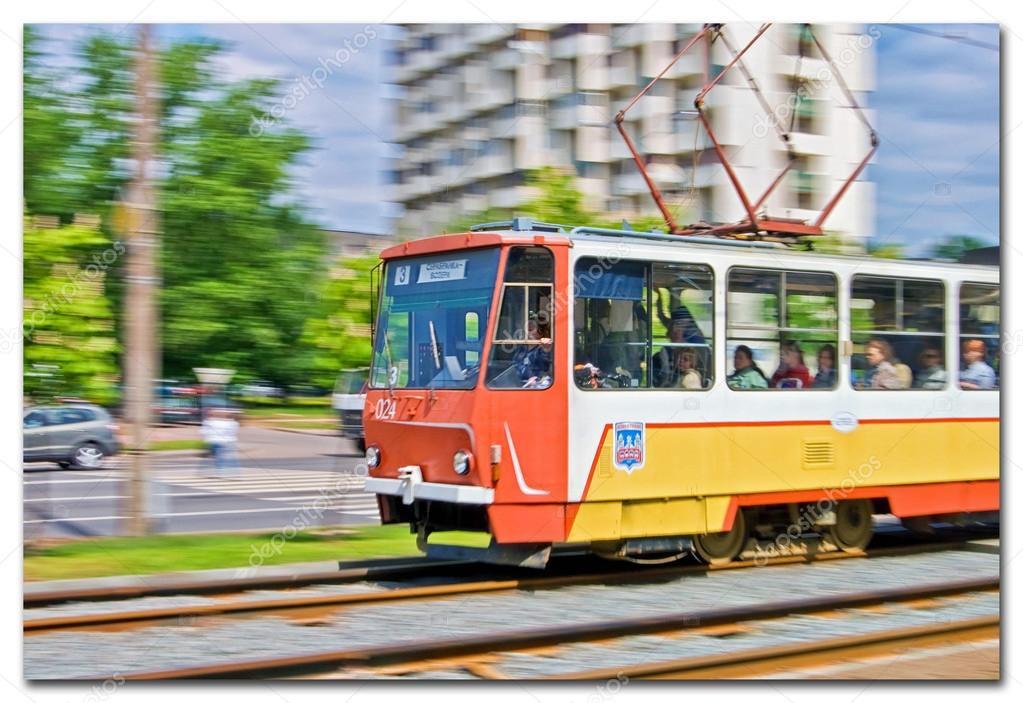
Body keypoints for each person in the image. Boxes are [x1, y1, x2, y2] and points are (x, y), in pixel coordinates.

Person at [512, 318, 553, 388]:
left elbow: (545, 367)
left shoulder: (544, 349)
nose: (527, 332)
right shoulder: (521, 348)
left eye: (530, 329)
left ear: (541, 332)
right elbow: (514, 365)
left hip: (539, 385)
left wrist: (546, 350)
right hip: (518, 384)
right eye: (526, 329)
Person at [201, 407, 241, 477]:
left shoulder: (211, 422)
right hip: (227, 441)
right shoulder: (233, 423)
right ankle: (234, 472)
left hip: (217, 441)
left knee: (219, 457)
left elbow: (205, 432)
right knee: (228, 458)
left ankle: (220, 471)